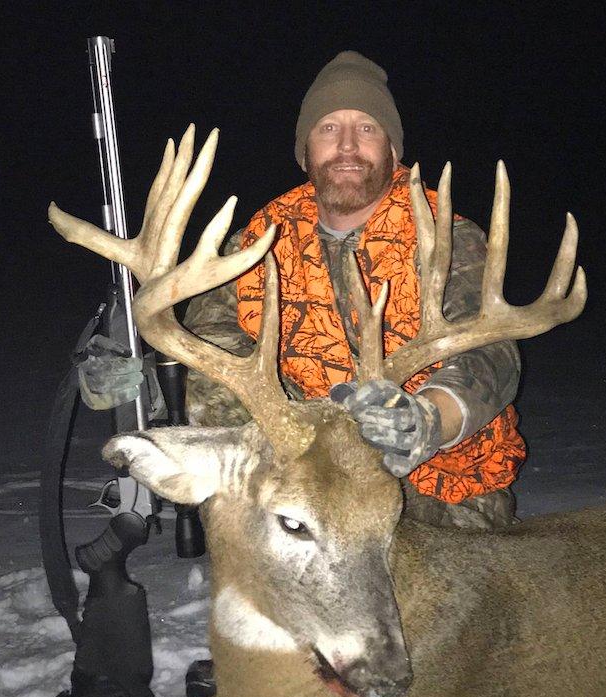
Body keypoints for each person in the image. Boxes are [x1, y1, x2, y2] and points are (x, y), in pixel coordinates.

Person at [183, 51, 525, 530]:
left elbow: (489, 351)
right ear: (306, 152)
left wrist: (428, 420)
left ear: (392, 150)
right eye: (327, 129)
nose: (346, 146)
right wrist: (138, 370)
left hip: (437, 484)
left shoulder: (445, 235)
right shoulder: (261, 239)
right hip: (309, 476)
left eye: (366, 128)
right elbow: (209, 339)